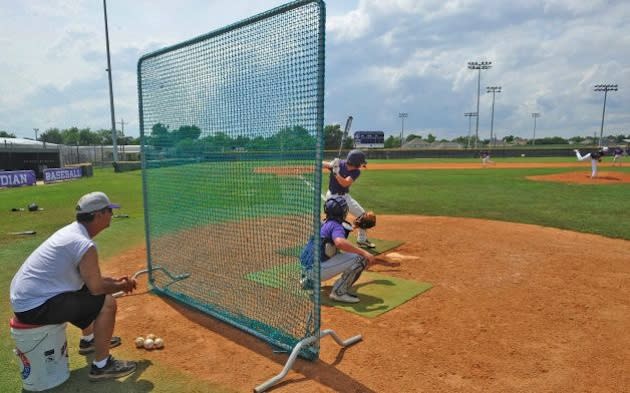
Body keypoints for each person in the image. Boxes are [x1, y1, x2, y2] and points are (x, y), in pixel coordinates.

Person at [9, 191, 137, 381]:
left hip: (28, 300)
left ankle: (89, 340)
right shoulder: (83, 244)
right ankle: (102, 365)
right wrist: (121, 286)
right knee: (107, 303)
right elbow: (97, 288)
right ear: (99, 214)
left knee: (83, 289)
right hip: (34, 307)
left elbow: (90, 279)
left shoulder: (72, 232)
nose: (112, 214)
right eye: (109, 210)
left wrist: (118, 282)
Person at [300, 196, 376, 303]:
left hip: (305, 268)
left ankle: (308, 282)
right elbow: (340, 242)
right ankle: (339, 292)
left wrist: (354, 226)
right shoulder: (336, 226)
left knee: (329, 249)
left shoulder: (323, 223)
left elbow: (339, 234)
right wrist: (363, 252)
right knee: (361, 258)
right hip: (318, 271)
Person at [322, 149, 375, 248]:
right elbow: (321, 163)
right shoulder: (339, 164)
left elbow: (345, 183)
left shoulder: (356, 172)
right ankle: (328, 242)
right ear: (356, 162)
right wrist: (331, 164)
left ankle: (361, 240)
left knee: (363, 216)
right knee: (335, 221)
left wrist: (336, 174)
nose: (361, 165)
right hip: (333, 197)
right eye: (360, 162)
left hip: (345, 196)